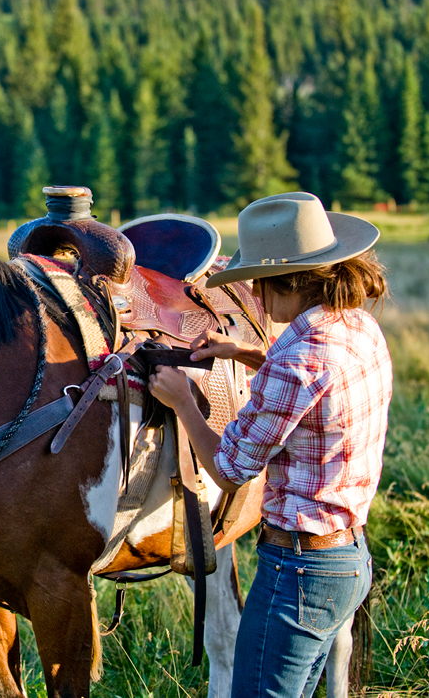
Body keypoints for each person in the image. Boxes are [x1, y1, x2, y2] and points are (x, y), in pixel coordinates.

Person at [149, 192, 392, 697]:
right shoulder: (359, 328)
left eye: (259, 283)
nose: (255, 296)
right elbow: (318, 394)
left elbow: (230, 468)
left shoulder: (298, 361)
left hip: (298, 575)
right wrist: (248, 353)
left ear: (293, 282)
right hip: (349, 558)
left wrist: (183, 404)